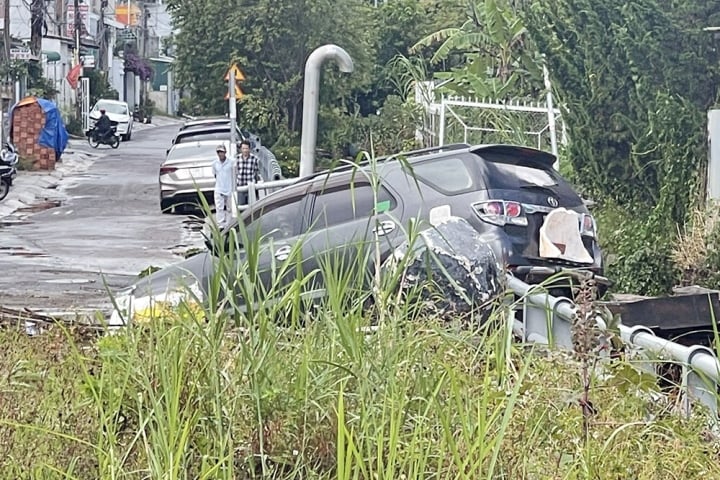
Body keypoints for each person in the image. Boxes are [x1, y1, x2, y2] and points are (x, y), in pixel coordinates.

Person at [212, 144, 233, 228]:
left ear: (225, 152)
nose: (220, 154)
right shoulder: (214, 163)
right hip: (219, 187)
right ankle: (220, 225)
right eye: (219, 152)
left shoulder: (231, 162)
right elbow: (214, 174)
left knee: (229, 208)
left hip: (229, 187)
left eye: (222, 152)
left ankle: (228, 224)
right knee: (219, 207)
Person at [236, 139, 260, 206]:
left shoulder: (254, 159)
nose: (245, 150)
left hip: (251, 186)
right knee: (241, 207)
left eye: (246, 148)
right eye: (243, 148)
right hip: (240, 186)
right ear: (241, 149)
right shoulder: (237, 159)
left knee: (252, 206)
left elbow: (256, 172)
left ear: (249, 149)